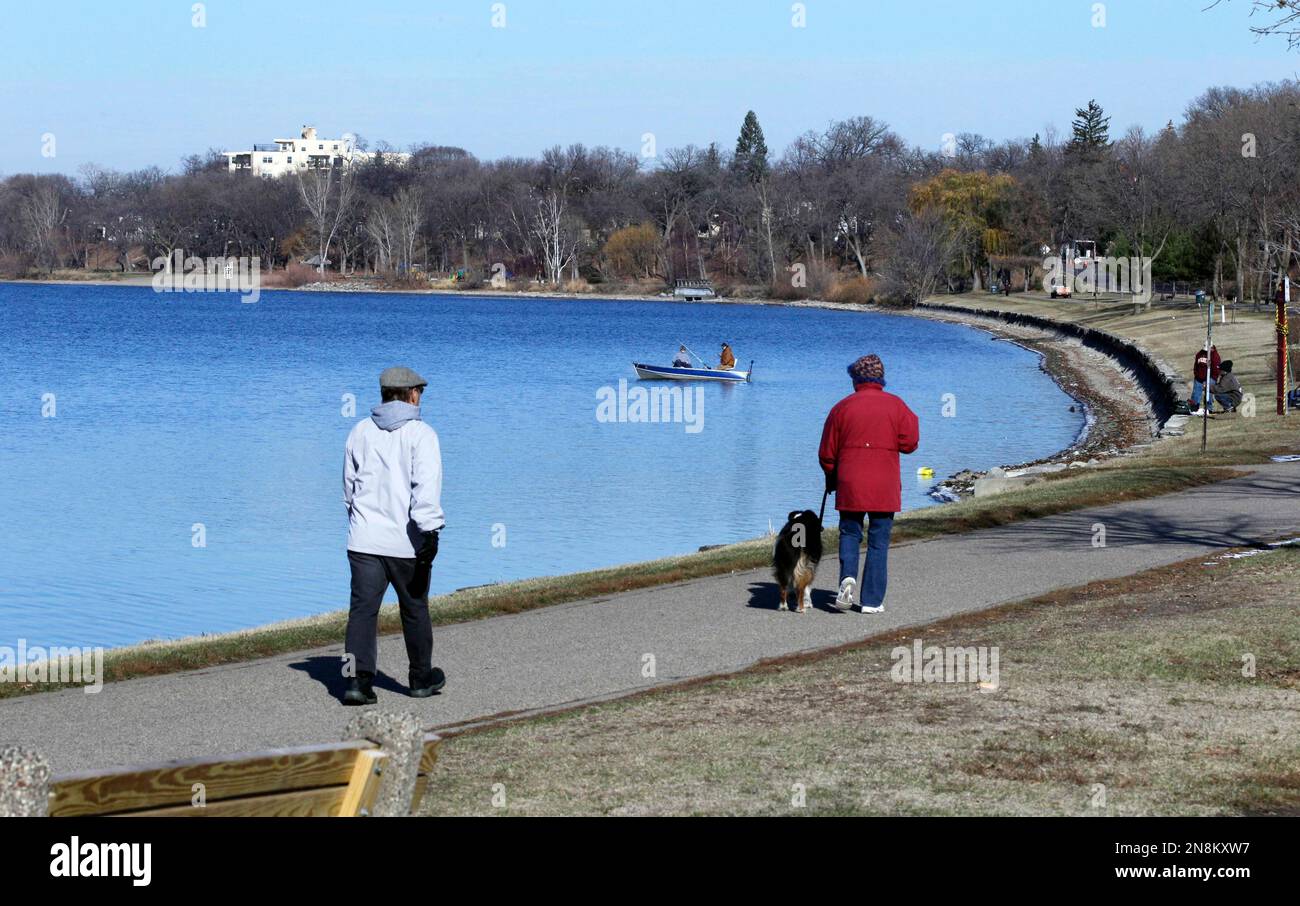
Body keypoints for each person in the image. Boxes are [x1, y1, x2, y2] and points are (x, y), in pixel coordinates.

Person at [342, 366, 445, 705]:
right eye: (420, 392)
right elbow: (425, 488)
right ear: (412, 394)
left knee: (362, 612)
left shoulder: (359, 431)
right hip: (406, 542)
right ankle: (420, 678)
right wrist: (430, 531)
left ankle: (356, 681)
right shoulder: (421, 434)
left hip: (364, 539)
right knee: (414, 607)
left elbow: (349, 486)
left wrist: (357, 521)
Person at [818, 354, 920, 614]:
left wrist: (833, 475)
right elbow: (909, 443)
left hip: (851, 482)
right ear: (880, 379)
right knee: (878, 541)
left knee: (850, 533)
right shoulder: (897, 405)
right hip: (884, 484)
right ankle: (872, 601)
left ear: (856, 379)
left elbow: (827, 454)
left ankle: (847, 578)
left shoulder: (841, 408)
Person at [1190, 344, 1221, 413]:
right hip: (1199, 377)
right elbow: (1196, 366)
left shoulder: (1215, 356)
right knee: (1196, 393)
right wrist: (1197, 374)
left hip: (1211, 377)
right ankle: (1194, 407)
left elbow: (1216, 371)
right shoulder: (1199, 354)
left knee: (1209, 393)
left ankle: (1209, 408)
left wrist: (1209, 380)